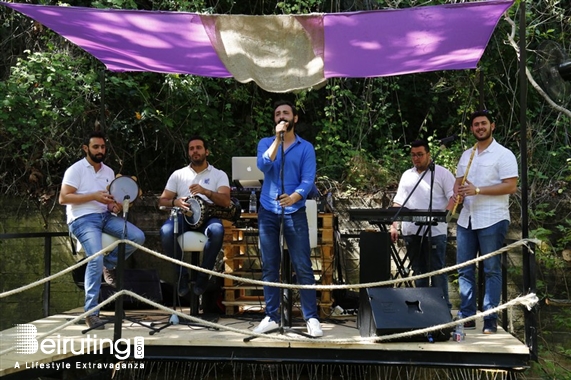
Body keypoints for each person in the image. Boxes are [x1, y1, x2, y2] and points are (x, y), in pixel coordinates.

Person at [59, 131, 146, 329]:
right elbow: (63, 198)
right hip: (82, 219)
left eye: (103, 147)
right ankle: (91, 313)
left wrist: (112, 206)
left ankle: (108, 264)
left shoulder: (108, 171)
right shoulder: (76, 169)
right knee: (95, 258)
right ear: (85, 148)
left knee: (137, 236)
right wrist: (93, 197)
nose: (100, 150)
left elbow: (107, 201)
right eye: (96, 147)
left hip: (105, 217)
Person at [253, 100, 323, 337]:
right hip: (268, 211)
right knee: (270, 265)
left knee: (303, 265)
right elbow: (263, 165)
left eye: (286, 113)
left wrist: (294, 197)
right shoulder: (266, 143)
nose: (281, 116)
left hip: (295, 212)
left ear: (295, 118)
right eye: (277, 114)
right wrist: (276, 140)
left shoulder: (306, 147)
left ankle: (311, 318)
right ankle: (271, 316)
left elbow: (308, 179)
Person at [454, 110, 518, 334]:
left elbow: (510, 186)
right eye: (476, 124)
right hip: (467, 219)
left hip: (492, 218)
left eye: (483, 123)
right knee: (464, 269)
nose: (480, 127)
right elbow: (458, 183)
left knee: (491, 270)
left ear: (493, 125)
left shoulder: (504, 154)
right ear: (471, 129)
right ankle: (467, 316)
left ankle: (490, 319)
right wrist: (458, 194)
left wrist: (478, 189)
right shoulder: (466, 155)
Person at [159, 136, 230, 297]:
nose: (195, 151)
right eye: (191, 149)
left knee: (217, 230)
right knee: (165, 232)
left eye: (198, 147)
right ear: (188, 153)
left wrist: (206, 192)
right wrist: (175, 201)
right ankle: (181, 275)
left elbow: (226, 201)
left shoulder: (218, 174)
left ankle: (203, 275)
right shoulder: (178, 174)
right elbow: (161, 201)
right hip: (184, 215)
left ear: (206, 151)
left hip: (208, 216)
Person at [390, 140, 455, 310]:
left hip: (435, 231)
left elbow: (454, 197)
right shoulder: (407, 175)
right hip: (411, 231)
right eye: (413, 155)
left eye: (420, 154)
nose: (416, 158)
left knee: (437, 271)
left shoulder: (442, 173)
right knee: (419, 271)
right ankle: (423, 310)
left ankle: (442, 310)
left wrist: (444, 216)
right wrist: (394, 225)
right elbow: (398, 202)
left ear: (428, 154)